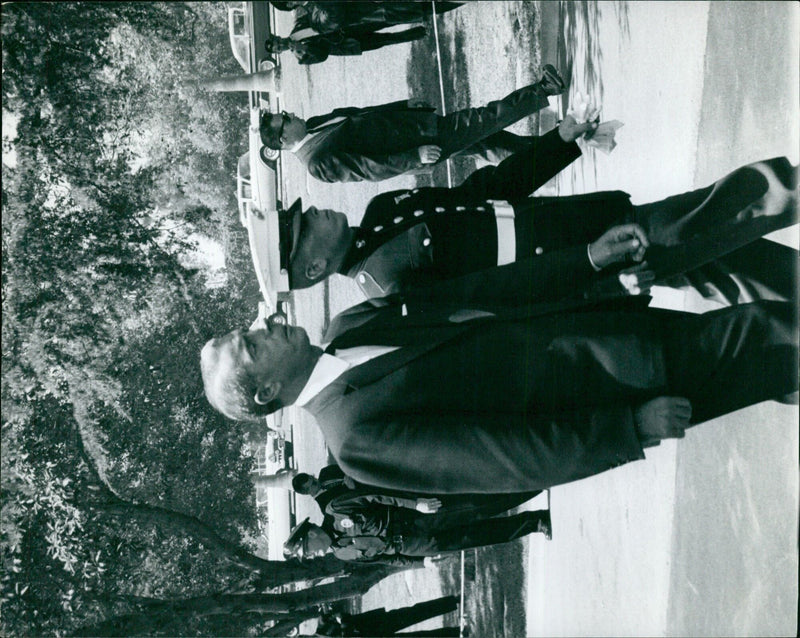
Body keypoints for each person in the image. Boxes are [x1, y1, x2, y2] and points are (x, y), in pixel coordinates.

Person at [200, 240, 798, 494]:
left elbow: (486, 291)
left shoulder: (350, 326)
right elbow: (504, 457)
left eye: (248, 330)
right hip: (618, 389)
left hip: (613, 327)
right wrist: (629, 429)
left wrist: (586, 262)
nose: (264, 325)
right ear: (268, 392)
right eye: (252, 346)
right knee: (768, 333)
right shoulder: (354, 439)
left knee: (771, 366)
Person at [279, 143, 797, 303]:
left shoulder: (381, 212)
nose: (315, 213)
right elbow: (500, 300)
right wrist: (594, 279)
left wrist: (562, 141)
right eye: (307, 230)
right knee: (704, 220)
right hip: (586, 258)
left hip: (576, 221)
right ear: (315, 266)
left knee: (721, 261)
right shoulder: (389, 288)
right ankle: (786, 186)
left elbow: (483, 194)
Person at [258, 65, 566, 183]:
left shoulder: (314, 124)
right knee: (483, 118)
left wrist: (404, 106)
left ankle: (554, 150)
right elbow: (369, 168)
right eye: (284, 119)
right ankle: (545, 89)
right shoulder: (316, 164)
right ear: (283, 140)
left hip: (417, 129)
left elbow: (364, 113)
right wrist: (415, 157)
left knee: (486, 143)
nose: (291, 115)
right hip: (420, 146)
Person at [282, 496, 551, 566]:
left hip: (417, 520)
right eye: (309, 556)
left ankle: (528, 486)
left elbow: (377, 497)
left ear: (312, 534)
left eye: (308, 550)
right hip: (416, 546)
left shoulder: (335, 509)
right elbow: (386, 559)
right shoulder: (342, 555)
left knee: (476, 509)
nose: (314, 555)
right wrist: (421, 562)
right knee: (480, 536)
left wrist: (415, 504)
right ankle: (536, 522)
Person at [265, 28, 427, 66]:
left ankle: (423, 12)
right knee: (386, 39)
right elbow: (322, 56)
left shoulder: (297, 28)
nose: (281, 45)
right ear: (280, 52)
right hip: (349, 45)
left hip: (349, 28)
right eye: (278, 48)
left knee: (384, 19)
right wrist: (305, 49)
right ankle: (422, 32)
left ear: (279, 37)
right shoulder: (302, 59)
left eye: (278, 42)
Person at [316, 595, 461, 637]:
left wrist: (345, 627)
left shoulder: (323, 623)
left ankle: (452, 601)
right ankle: (456, 633)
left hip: (377, 623)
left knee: (415, 612)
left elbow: (342, 615)